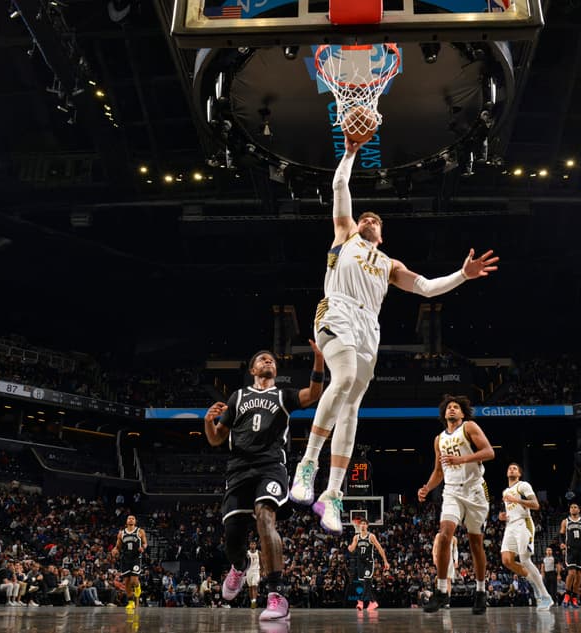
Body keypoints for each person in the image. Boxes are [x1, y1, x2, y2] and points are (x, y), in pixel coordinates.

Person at [289, 135, 499, 534]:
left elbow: (427, 288)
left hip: (370, 326)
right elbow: (338, 187)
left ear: (382, 235)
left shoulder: (388, 263)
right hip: (337, 308)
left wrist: (463, 275)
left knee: (351, 408)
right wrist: (350, 152)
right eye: (364, 218)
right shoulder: (343, 237)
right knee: (345, 377)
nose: (368, 220)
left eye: (375, 220)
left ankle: (331, 495)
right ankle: (307, 464)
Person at [204, 344, 325, 622]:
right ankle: (240, 565)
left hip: (271, 466)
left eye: (270, 359)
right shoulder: (237, 397)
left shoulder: (283, 395)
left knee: (265, 516)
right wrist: (208, 422)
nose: (267, 360)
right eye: (261, 359)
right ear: (252, 370)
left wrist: (318, 361)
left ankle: (276, 594)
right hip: (238, 470)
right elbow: (216, 438)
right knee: (233, 538)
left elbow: (313, 394)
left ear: (275, 370)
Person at [417, 394, 495, 614]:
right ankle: (441, 591)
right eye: (449, 407)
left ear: (462, 413)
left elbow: (489, 452)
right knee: (444, 535)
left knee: (475, 544)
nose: (452, 409)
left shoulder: (469, 427)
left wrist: (461, 460)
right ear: (444, 413)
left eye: (456, 407)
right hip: (451, 491)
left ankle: (480, 592)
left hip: (475, 491)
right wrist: (427, 488)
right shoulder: (438, 439)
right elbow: (438, 471)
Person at [497, 463, 554, 611]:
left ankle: (545, 595)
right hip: (510, 526)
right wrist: (503, 516)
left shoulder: (523, 485)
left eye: (515, 468)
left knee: (524, 560)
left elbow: (535, 505)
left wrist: (517, 500)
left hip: (524, 524)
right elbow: (510, 511)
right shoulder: (505, 492)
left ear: (520, 474)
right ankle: (534, 583)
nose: (511, 469)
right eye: (509, 468)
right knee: (507, 560)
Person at [348, 519, 389, 611]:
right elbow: (352, 549)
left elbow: (380, 549)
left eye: (364, 524)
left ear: (367, 526)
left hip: (369, 562)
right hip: (360, 562)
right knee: (366, 583)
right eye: (361, 524)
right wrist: (349, 547)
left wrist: (385, 561)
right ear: (359, 526)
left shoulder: (371, 536)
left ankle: (361, 601)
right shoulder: (356, 537)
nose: (362, 526)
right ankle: (373, 602)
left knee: (367, 581)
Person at [111, 515, 147, 612]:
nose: (131, 519)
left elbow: (145, 543)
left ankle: (138, 586)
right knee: (126, 581)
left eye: (133, 518)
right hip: (125, 558)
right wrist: (115, 550)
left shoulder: (140, 531)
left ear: (135, 521)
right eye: (129, 518)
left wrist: (143, 548)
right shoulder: (121, 533)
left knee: (133, 580)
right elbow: (118, 546)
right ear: (126, 521)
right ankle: (131, 602)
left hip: (136, 557)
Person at [559, 502, 581, 608]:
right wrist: (562, 543)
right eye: (571, 507)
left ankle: (574, 598)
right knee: (572, 573)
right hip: (570, 550)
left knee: (579, 575)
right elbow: (561, 534)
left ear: (579, 510)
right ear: (570, 510)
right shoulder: (565, 521)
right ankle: (567, 596)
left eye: (575, 507)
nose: (573, 509)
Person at [432, 532, 459, 608]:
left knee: (448, 580)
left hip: (450, 560)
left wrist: (456, 560)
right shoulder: (439, 535)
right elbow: (435, 547)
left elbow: (455, 550)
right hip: (441, 559)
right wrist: (434, 556)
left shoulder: (454, 538)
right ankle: (440, 599)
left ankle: (447, 601)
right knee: (441, 580)